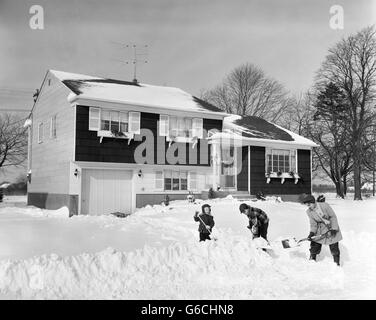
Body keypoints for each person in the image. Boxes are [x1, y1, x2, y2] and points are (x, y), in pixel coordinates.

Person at [301, 194, 343, 266]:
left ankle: (337, 263)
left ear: (313, 202)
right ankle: (312, 259)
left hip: (331, 226)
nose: (309, 206)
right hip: (320, 229)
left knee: (334, 246)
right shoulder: (309, 212)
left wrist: (334, 229)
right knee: (314, 244)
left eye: (309, 204)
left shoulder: (324, 206)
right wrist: (312, 233)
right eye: (307, 205)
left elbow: (333, 217)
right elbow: (313, 224)